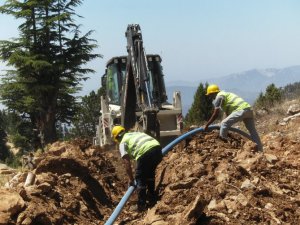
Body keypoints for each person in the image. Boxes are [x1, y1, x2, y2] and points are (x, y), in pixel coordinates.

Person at [111, 125, 163, 211]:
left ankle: (141, 205)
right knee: (149, 174)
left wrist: (131, 179)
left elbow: (126, 162)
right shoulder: (135, 133)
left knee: (140, 178)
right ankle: (152, 198)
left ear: (117, 137)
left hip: (145, 152)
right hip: (158, 150)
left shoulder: (122, 143)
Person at [204, 84, 263, 151]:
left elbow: (215, 114)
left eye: (210, 95)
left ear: (213, 93)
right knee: (253, 132)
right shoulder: (225, 95)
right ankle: (260, 150)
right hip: (248, 109)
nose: (210, 97)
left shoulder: (219, 97)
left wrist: (207, 124)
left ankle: (223, 147)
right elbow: (227, 115)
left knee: (224, 124)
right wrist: (222, 126)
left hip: (241, 110)